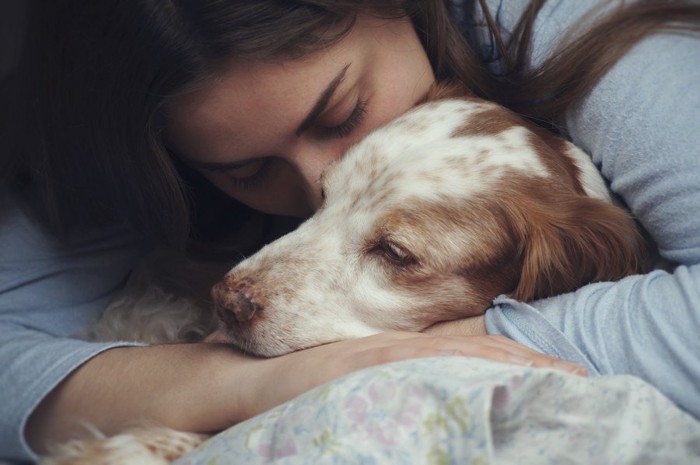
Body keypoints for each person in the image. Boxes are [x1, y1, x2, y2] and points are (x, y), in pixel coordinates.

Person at [1, 0, 698, 462]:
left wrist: (456, 346)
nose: (311, 191)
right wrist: (240, 384)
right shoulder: (133, 150)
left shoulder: (568, 25)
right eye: (245, 170)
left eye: (340, 115)